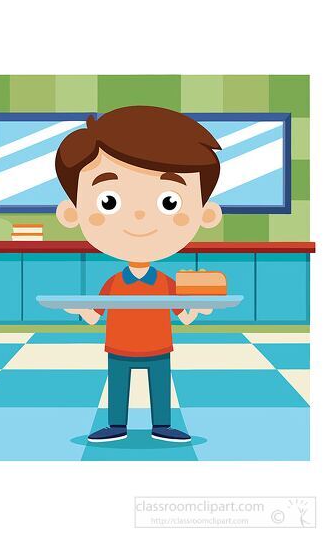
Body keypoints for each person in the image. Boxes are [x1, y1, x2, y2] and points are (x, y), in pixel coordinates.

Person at [55, 106, 222, 443]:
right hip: (118, 347)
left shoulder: (166, 283)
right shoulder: (114, 282)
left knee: (161, 386)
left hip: (159, 347)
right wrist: (76, 309)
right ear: (73, 211)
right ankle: (116, 425)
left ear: (205, 213)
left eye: (170, 202)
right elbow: (93, 315)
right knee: (118, 387)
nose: (141, 216)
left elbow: (184, 316)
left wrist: (202, 307)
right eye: (109, 201)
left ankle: (163, 424)